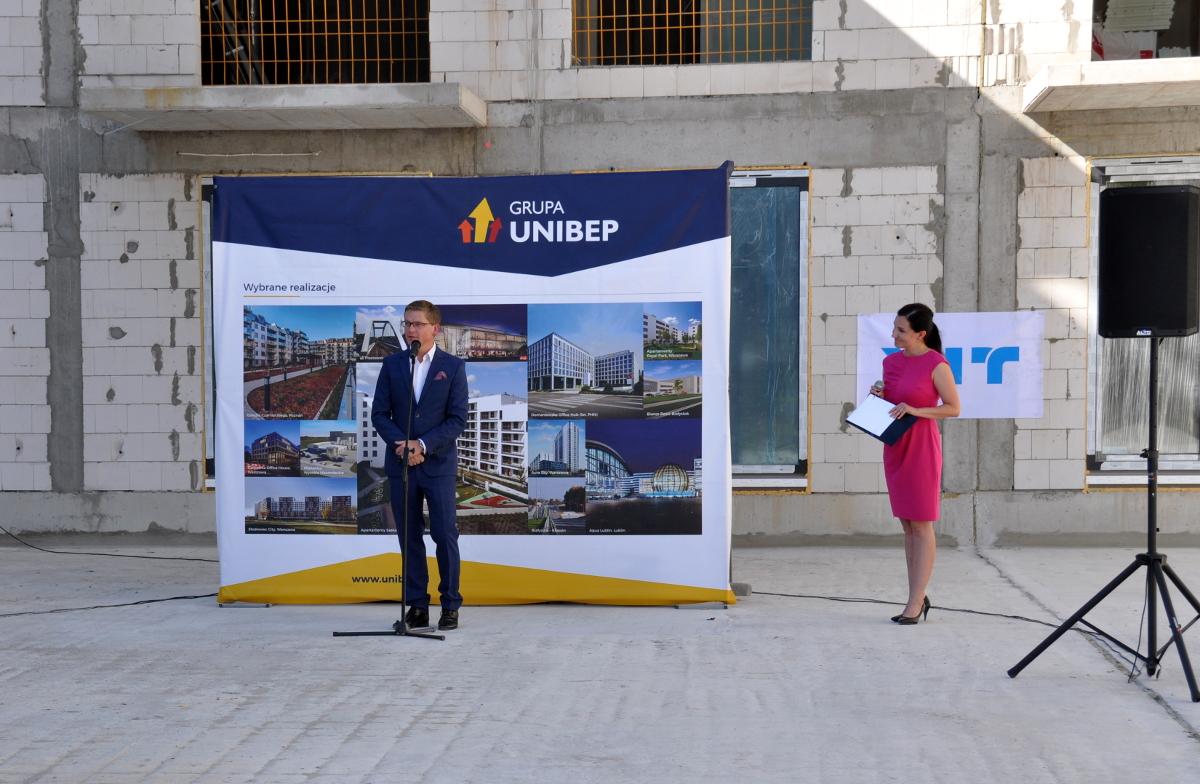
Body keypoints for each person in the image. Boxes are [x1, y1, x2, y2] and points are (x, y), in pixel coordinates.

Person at [371, 300, 468, 631]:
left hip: (438, 464)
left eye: (417, 324)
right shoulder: (392, 364)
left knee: (444, 534)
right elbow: (379, 414)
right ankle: (417, 605)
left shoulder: (452, 367)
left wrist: (422, 445)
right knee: (409, 536)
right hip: (401, 464)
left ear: (435, 328)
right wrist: (403, 445)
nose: (410, 330)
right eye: (407, 323)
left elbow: (457, 419)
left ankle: (450, 604)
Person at [873, 303, 960, 625]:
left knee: (921, 524)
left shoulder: (937, 364)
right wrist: (879, 396)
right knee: (907, 525)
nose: (894, 335)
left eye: (901, 330)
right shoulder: (890, 362)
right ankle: (916, 595)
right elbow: (893, 405)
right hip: (896, 446)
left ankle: (916, 600)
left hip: (922, 446)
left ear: (921, 334)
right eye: (894, 328)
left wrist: (916, 410)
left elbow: (953, 408)